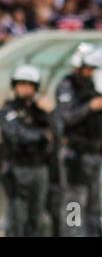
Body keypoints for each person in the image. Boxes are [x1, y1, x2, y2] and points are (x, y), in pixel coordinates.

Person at [54, 42, 102, 237]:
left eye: (93, 69)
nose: (91, 72)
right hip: (75, 156)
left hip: (94, 155)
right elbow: (66, 117)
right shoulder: (66, 85)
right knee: (74, 203)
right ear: (79, 66)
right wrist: (91, 107)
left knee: (94, 205)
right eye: (88, 68)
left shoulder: (90, 88)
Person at [0, 65, 52, 236]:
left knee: (36, 217)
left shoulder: (41, 111)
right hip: (17, 169)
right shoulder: (9, 110)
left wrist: (50, 112)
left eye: (28, 84)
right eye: (20, 83)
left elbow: (58, 132)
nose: (24, 88)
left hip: (39, 169)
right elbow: (16, 134)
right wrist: (42, 134)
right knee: (17, 216)